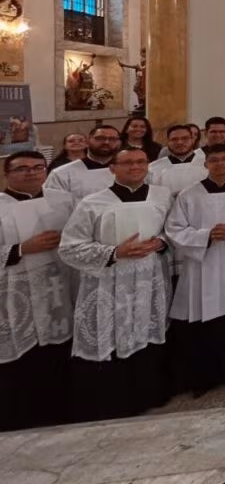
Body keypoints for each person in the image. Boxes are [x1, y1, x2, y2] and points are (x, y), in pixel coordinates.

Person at [59, 147, 174, 421]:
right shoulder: (92, 203)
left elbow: (172, 229)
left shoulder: (162, 196)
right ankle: (113, 401)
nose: (135, 167)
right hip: (109, 281)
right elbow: (69, 247)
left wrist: (162, 242)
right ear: (112, 168)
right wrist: (114, 253)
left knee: (149, 332)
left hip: (149, 278)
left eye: (140, 162)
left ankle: (150, 393)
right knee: (110, 336)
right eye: (127, 163)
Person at [165, 144, 225, 396]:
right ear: (205, 164)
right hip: (202, 266)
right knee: (203, 322)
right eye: (214, 160)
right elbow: (174, 229)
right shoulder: (188, 195)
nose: (220, 164)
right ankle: (203, 375)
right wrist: (205, 235)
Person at [0, 152, 76, 430]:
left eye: (37, 167)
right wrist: (21, 249)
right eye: (22, 169)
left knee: (59, 352)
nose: (31, 173)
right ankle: (21, 418)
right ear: (7, 174)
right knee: (21, 359)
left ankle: (61, 412)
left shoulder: (63, 201)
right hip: (13, 294)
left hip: (57, 287)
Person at [44, 124, 120, 204]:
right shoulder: (62, 173)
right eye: (100, 138)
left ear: (119, 142)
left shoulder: (128, 170)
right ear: (88, 141)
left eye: (112, 139)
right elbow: (54, 206)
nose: (106, 142)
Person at [148, 124, 207, 197]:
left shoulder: (207, 165)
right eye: (174, 139)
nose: (180, 142)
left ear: (192, 140)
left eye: (185, 138)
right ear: (168, 142)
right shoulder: (153, 169)